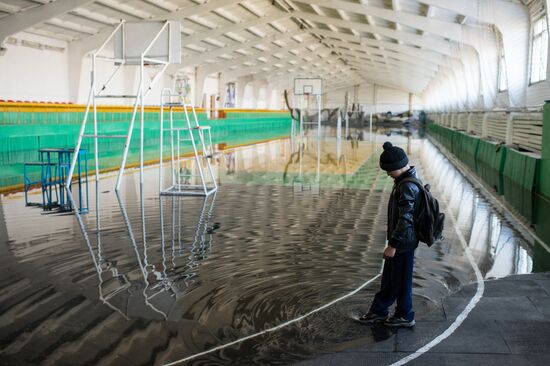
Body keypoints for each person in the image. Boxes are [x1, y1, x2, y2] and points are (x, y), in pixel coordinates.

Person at [359, 141, 421, 328]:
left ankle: (405, 315)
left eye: (388, 170)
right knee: (391, 279)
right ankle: (380, 311)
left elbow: (406, 219)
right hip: (403, 240)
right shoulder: (405, 180)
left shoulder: (406, 186)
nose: (387, 174)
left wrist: (393, 244)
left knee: (399, 281)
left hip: (403, 242)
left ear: (397, 167)